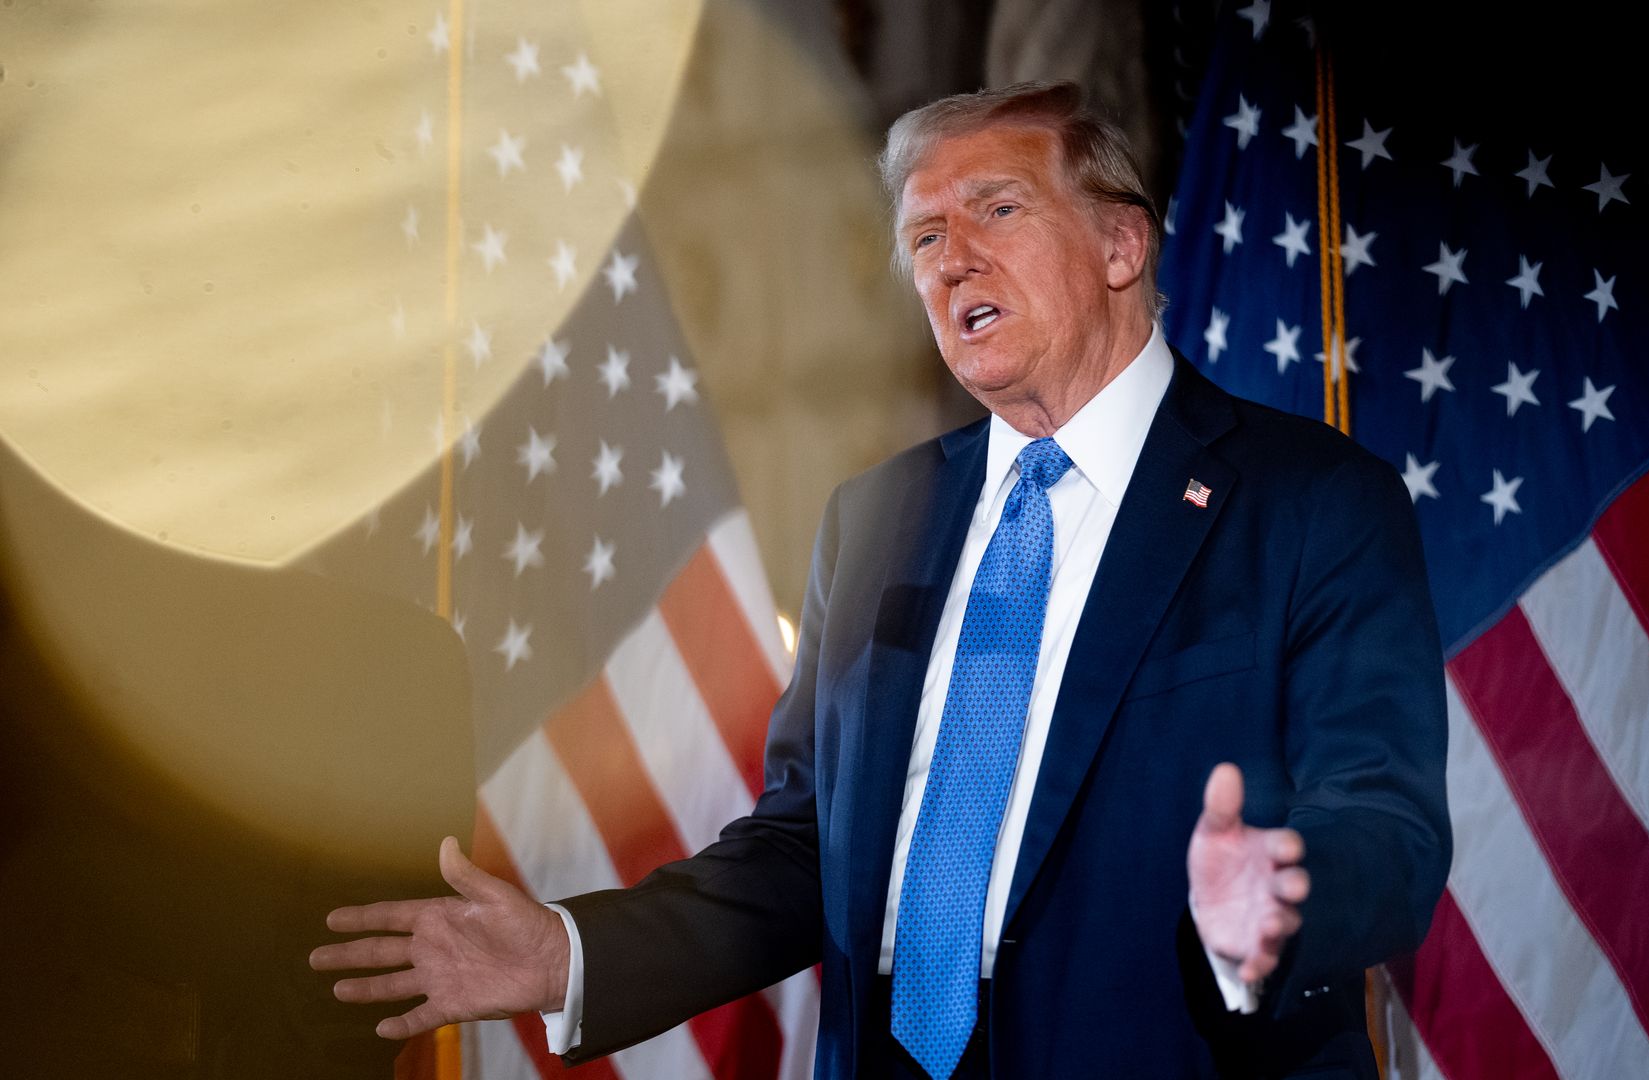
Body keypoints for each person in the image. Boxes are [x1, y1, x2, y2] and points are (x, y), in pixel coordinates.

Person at [312, 81, 1449, 1079]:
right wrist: (575, 954)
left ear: (1120, 246)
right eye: (924, 237)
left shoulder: (1312, 502)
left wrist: (1282, 897)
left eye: (997, 210)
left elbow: (1387, 825)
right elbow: (804, 848)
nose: (953, 258)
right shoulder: (876, 520)